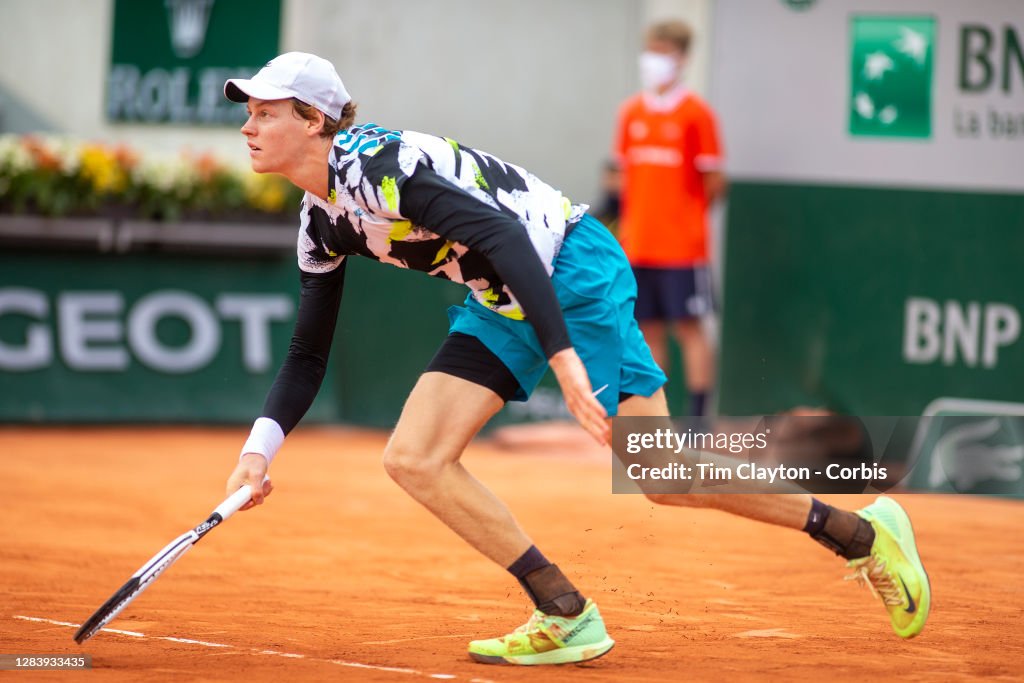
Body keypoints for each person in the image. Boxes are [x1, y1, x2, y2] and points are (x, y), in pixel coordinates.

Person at [221, 52, 931, 666]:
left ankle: (861, 533)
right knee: (414, 456)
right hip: (500, 294)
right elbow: (307, 353)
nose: (248, 126)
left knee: (654, 467)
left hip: (567, 264)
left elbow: (503, 234)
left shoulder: (378, 166)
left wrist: (561, 355)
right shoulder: (322, 221)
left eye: (264, 112)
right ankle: (563, 608)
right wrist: (259, 451)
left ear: (313, 120)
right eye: (248, 113)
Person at [615, 20, 724, 419]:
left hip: (683, 247)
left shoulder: (698, 115)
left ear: (681, 58)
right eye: (651, 51)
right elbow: (623, 176)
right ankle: (656, 416)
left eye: (663, 52)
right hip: (638, 244)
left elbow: (715, 182)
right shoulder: (630, 113)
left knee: (690, 329)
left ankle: (698, 420)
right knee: (648, 331)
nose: (654, 61)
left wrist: (683, 216)